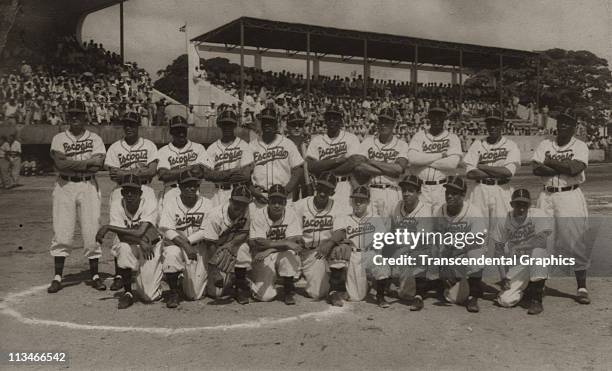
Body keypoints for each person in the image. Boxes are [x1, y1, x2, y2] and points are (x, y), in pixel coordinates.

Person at [47, 100, 107, 294]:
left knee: (91, 231)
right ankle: (58, 277)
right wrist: (86, 162)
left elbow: (98, 166)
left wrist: (71, 162)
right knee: (62, 231)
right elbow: (60, 166)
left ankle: (95, 275)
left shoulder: (95, 138)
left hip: (88, 185)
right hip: (65, 185)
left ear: (84, 116)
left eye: (78, 113)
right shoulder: (59, 138)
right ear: (67, 116)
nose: (75, 117)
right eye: (71, 113)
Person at [532, 112, 591, 304]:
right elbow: (536, 169)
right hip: (546, 195)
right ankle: (540, 286)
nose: (563, 126)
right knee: (542, 240)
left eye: (568, 123)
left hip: (570, 195)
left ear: (574, 127)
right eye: (561, 123)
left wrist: (549, 162)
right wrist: (562, 165)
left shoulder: (580, 145)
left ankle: (581, 286)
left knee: (574, 240)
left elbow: (575, 169)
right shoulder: (545, 144)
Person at [463, 111, 521, 289]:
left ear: (502, 125)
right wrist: (491, 169)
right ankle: (474, 279)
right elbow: (470, 172)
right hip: (479, 190)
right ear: (486, 126)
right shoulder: (477, 144)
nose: (493, 127)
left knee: (502, 236)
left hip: (501, 190)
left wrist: (481, 166)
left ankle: (505, 277)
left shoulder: (510, 145)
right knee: (476, 235)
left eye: (496, 123)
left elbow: (508, 172)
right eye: (490, 124)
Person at [104, 111, 159, 291]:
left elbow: (151, 171)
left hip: (144, 188)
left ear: (138, 127)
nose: (129, 127)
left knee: (147, 228)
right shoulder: (114, 147)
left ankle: (146, 266)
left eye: (132, 124)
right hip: (121, 190)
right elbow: (113, 174)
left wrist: (126, 172)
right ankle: (120, 274)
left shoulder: (149, 145)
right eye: (126, 124)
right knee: (120, 229)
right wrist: (138, 169)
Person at [95, 175, 163, 309]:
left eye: (134, 191)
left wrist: (108, 227)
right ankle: (128, 292)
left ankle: (151, 277)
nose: (130, 194)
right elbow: (121, 235)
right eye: (126, 191)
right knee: (123, 248)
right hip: (134, 243)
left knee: (149, 296)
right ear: (122, 192)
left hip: (151, 246)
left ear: (141, 193)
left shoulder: (149, 203)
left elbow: (141, 232)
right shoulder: (117, 204)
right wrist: (139, 241)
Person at [316, 186, 387, 307]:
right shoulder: (344, 218)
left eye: (362, 200)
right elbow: (338, 235)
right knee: (356, 297)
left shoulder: (375, 219)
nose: (358, 203)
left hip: (369, 254)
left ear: (368, 202)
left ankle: (380, 296)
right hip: (352, 255)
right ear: (351, 201)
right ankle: (333, 290)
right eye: (355, 200)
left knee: (381, 262)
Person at [159, 170, 213, 308]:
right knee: (171, 253)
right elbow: (166, 229)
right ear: (180, 187)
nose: (191, 188)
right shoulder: (171, 203)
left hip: (199, 248)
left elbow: (207, 230)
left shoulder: (207, 203)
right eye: (187, 185)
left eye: (194, 185)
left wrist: (188, 242)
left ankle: (180, 277)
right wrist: (185, 245)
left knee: (194, 295)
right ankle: (173, 291)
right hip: (177, 245)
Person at [492, 189, 552, 315]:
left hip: (537, 258)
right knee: (505, 301)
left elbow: (542, 242)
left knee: (538, 252)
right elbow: (498, 250)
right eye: (518, 204)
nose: (521, 209)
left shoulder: (537, 215)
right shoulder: (503, 220)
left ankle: (537, 299)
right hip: (518, 263)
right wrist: (503, 276)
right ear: (511, 204)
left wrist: (518, 247)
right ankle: (529, 288)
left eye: (524, 205)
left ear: (529, 205)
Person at [191, 185, 253, 304]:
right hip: (211, 249)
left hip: (230, 246)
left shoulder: (246, 211)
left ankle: (239, 284)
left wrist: (231, 245)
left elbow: (244, 234)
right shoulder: (215, 215)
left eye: (244, 203)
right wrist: (215, 272)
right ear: (230, 201)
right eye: (237, 202)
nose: (240, 206)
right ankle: (228, 277)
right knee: (215, 293)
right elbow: (210, 244)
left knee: (243, 248)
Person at [434, 176, 487, 313]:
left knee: (476, 255)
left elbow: (478, 241)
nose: (449, 196)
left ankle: (474, 295)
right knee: (453, 299)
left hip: (466, 252)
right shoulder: (439, 211)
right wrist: (442, 266)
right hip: (449, 254)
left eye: (454, 193)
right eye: (447, 192)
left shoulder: (473, 212)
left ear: (463, 195)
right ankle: (443, 282)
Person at [248, 184, 304, 304]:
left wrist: (270, 249)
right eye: (274, 201)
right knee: (265, 297)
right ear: (269, 201)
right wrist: (285, 243)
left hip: (272, 252)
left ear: (285, 202)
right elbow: (258, 243)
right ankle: (250, 280)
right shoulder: (259, 215)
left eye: (280, 201)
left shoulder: (291, 214)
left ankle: (288, 290)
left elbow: (294, 241)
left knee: (290, 253)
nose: (277, 205)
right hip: (262, 255)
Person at [294, 172, 345, 300]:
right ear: (316, 187)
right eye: (321, 188)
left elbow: (340, 231)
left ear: (332, 192)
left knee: (339, 248)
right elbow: (292, 232)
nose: (323, 193)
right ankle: (292, 280)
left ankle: (334, 287)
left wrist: (329, 243)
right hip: (304, 251)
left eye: (327, 190)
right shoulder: (300, 205)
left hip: (323, 251)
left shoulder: (337, 206)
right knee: (316, 293)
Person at [389, 174, 435, 311]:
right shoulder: (397, 207)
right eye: (404, 190)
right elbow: (392, 231)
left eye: (411, 190)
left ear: (418, 193)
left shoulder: (424, 210)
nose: (406, 193)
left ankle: (419, 295)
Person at [353, 107, 409, 218]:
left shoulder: (402, 144)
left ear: (394, 124)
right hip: (372, 191)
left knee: (395, 231)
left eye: (387, 121)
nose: (383, 124)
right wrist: (389, 169)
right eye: (381, 121)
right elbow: (359, 166)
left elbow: (399, 169)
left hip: (393, 192)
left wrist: (371, 161)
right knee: (373, 231)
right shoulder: (368, 142)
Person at [306, 105, 361, 212]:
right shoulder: (317, 140)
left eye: (335, 118)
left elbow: (353, 163)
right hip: (322, 187)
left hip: (344, 186)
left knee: (344, 218)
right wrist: (336, 161)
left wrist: (323, 169)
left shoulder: (351, 138)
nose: (332, 121)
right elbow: (310, 166)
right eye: (329, 118)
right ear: (325, 120)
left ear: (341, 121)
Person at [249, 107, 304, 209]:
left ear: (276, 123)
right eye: (265, 121)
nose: (267, 124)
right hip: (260, 197)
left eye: (271, 121)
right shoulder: (252, 146)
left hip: (283, 197)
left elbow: (298, 168)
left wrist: (287, 190)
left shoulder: (287, 143)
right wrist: (253, 190)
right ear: (261, 123)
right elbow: (244, 173)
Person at [408, 107, 462, 209]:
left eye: (440, 115)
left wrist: (423, 160)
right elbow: (412, 159)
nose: (437, 118)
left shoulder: (453, 138)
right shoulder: (419, 136)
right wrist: (441, 155)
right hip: (421, 188)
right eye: (434, 115)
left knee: (440, 223)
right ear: (429, 117)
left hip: (442, 188)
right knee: (421, 223)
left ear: (445, 117)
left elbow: (452, 164)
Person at [156, 115, 209, 210]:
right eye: (177, 130)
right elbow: (164, 175)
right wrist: (189, 168)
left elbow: (200, 172)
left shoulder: (198, 148)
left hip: (192, 192)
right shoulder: (163, 151)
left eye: (183, 130)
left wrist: (173, 171)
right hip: (171, 193)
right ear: (171, 131)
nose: (181, 134)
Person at [205, 108, 254, 207]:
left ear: (235, 125)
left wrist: (218, 175)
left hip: (238, 191)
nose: (227, 127)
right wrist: (233, 171)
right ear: (220, 125)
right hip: (217, 193)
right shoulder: (212, 148)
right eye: (224, 124)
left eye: (230, 124)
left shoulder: (244, 146)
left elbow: (245, 175)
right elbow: (207, 175)